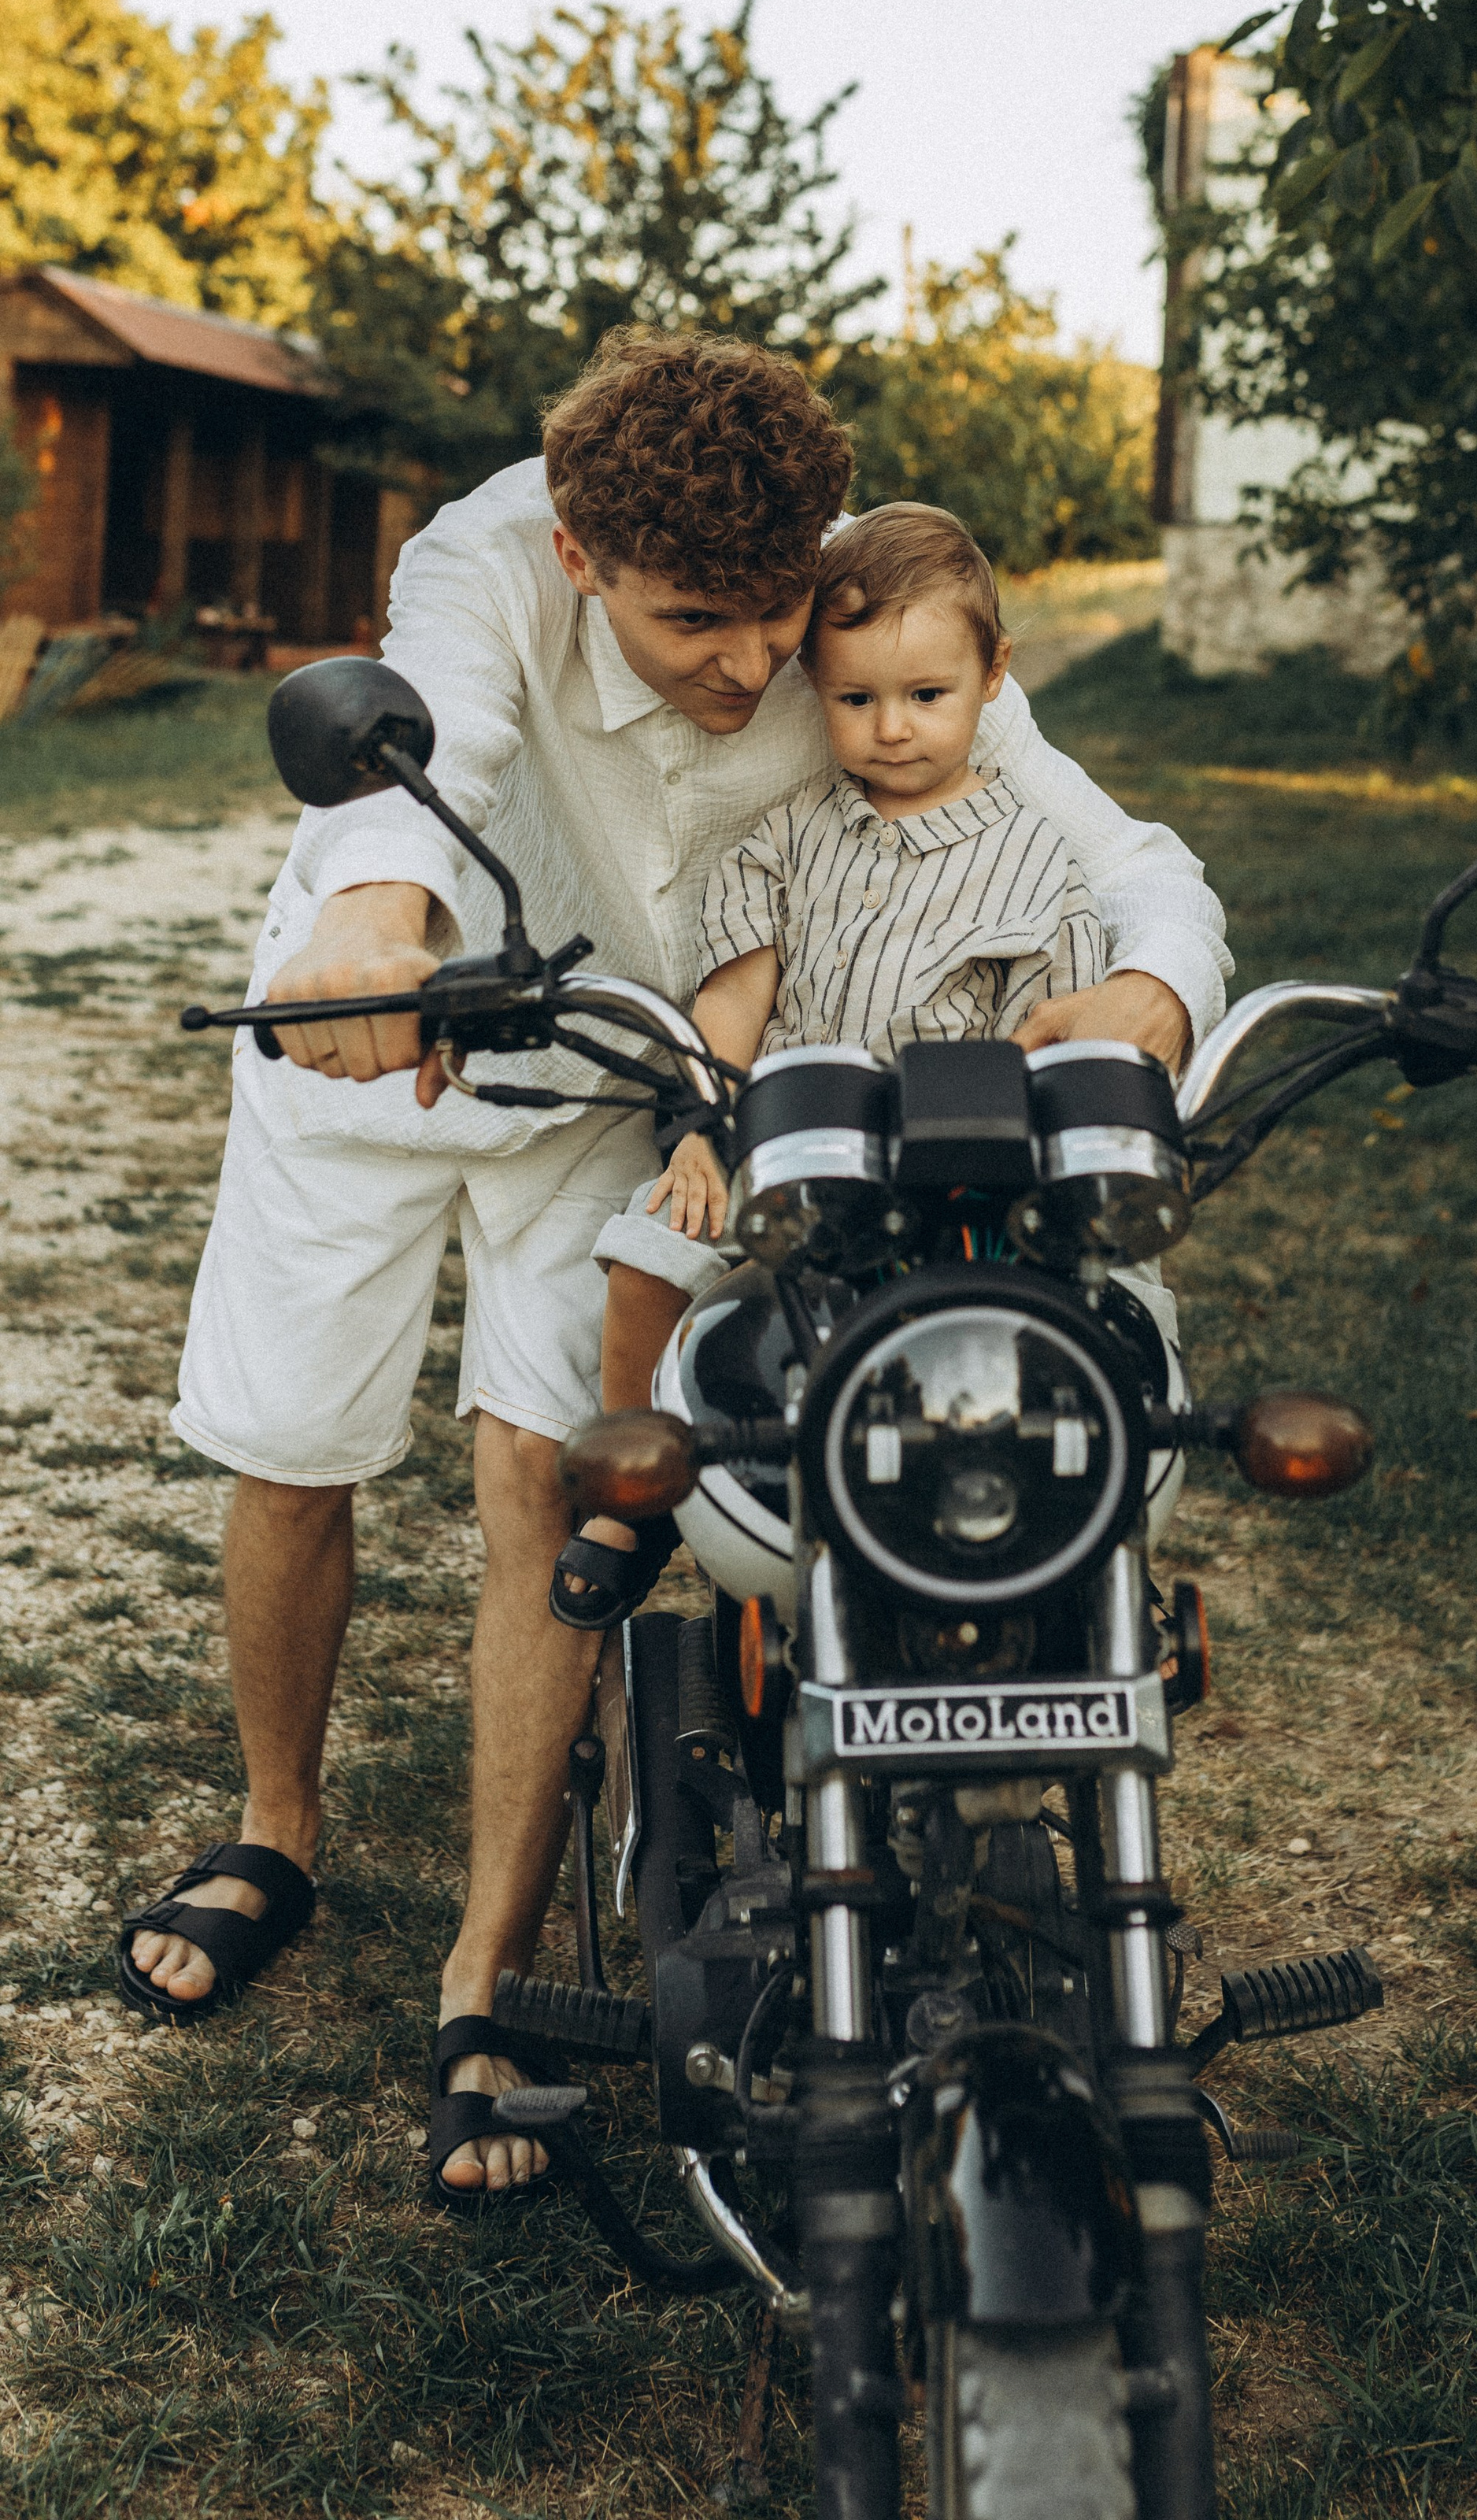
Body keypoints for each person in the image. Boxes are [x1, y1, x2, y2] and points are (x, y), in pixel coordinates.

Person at [118, 327, 1230, 2216]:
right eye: (693, 620)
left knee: (546, 1476)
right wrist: (375, 923)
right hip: (381, 1030)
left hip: (618, 1089)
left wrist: (1153, 981)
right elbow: (423, 749)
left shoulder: (852, 602)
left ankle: (484, 1975)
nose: (748, 663)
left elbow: (1112, 846)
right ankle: (276, 1832)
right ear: (578, 558)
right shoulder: (484, 563)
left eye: (771, 609)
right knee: (293, 1449)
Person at [553, 502, 1127, 1624]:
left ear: (993, 676)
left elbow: (1044, 1040)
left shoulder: (1039, 870)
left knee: (1030, 1331)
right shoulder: (786, 835)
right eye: (854, 699)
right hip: (785, 1149)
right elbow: (734, 997)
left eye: (926, 697)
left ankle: (1041, 1544)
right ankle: (641, 1488)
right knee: (645, 1250)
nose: (891, 729)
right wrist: (703, 1134)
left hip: (953, 1178)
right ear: (814, 688)